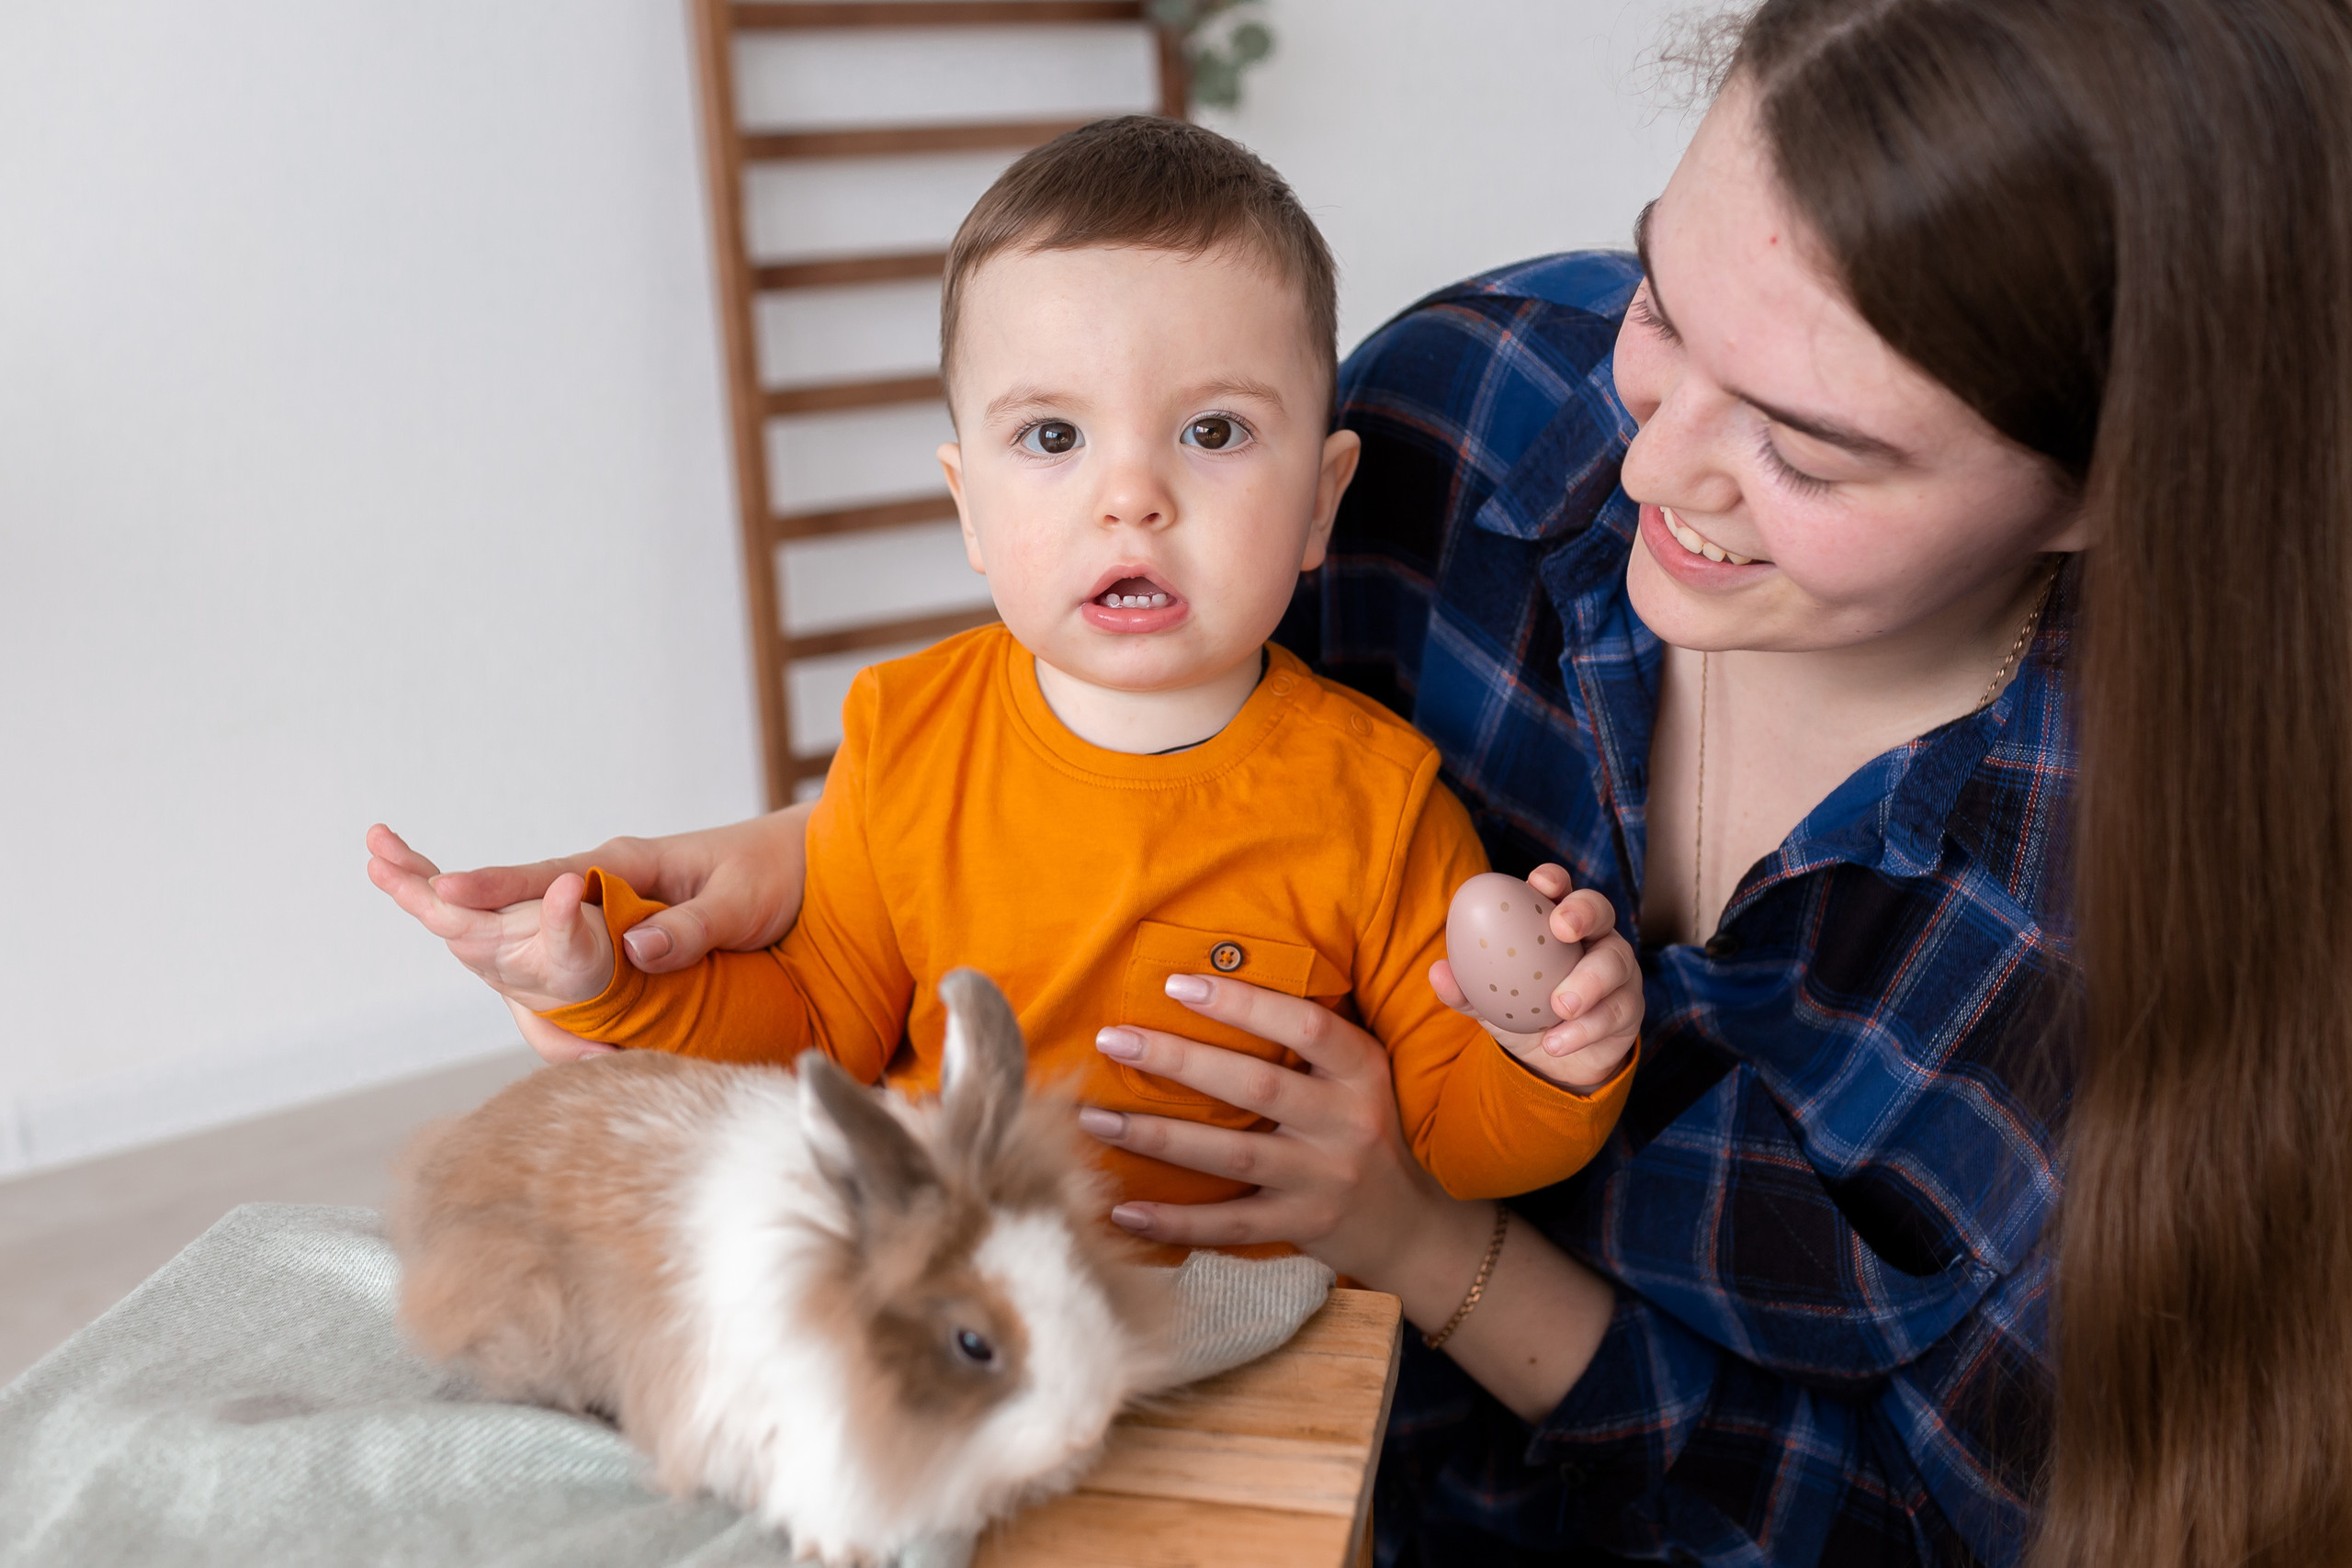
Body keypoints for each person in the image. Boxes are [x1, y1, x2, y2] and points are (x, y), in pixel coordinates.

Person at [398, 0, 2352, 1561]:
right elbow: (1109, 764)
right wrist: (799, 856)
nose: (1650, 464)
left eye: (1812, 451)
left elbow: (1915, 1520)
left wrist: (1422, 1234)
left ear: (2109, 485)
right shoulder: (1470, 414)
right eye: (1665, 301)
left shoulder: (2135, 896)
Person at [368, 118, 1646, 1257]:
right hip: (946, 1298)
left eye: (1213, 432)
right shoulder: (906, 735)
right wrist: (614, 979)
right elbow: (815, 1024)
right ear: (968, 504)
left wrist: (1552, 1062)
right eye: (1052, 437)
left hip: (1235, 1331)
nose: (1129, 494)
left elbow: (1460, 1142)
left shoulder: (1378, 797)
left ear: (1320, 500)